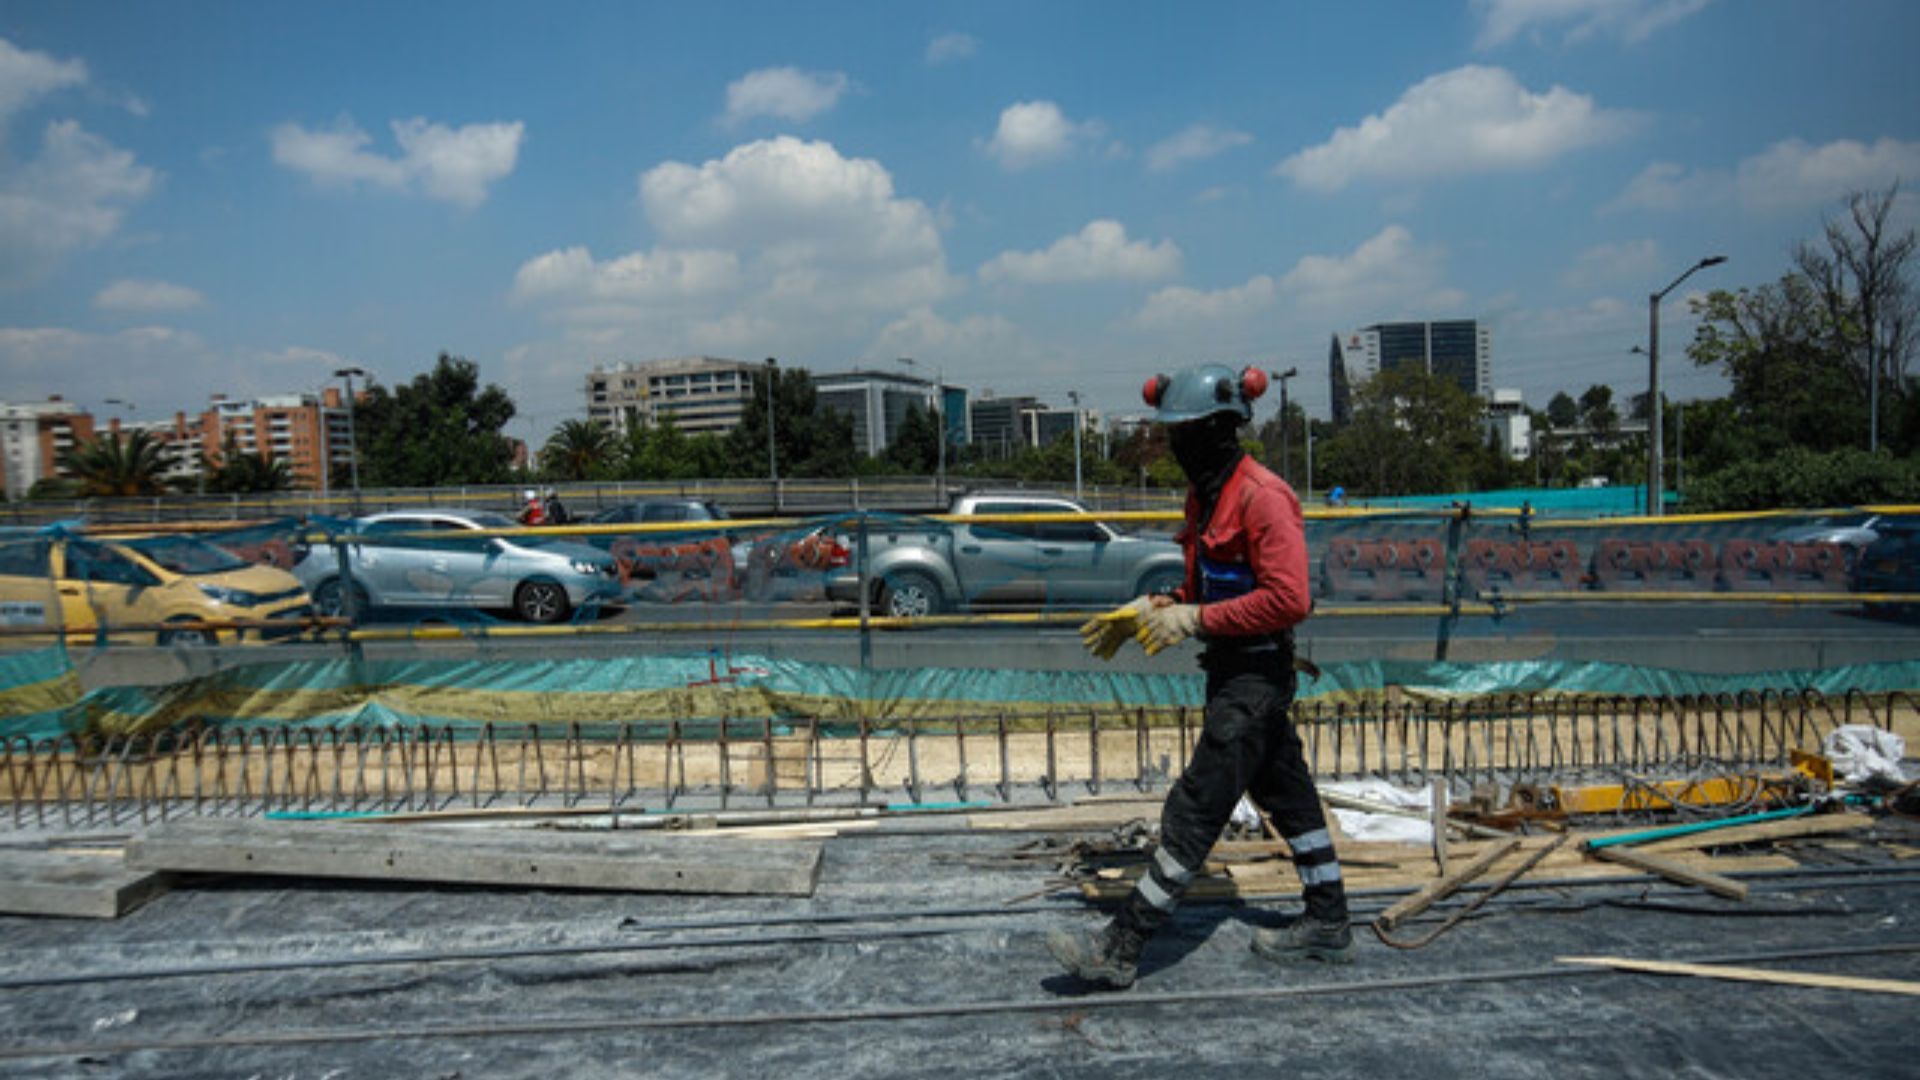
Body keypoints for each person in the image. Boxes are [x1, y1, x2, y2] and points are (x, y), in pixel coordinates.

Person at [1054, 363, 1351, 990]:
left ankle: (1123, 944)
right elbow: (1203, 585)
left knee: (1196, 805)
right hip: (1229, 670)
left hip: (1257, 678)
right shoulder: (1206, 496)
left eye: (1184, 433)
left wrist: (1197, 618)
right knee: (1288, 796)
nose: (1175, 446)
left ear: (1220, 429)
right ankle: (1328, 918)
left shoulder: (1262, 496)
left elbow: (1290, 598)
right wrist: (1160, 606)